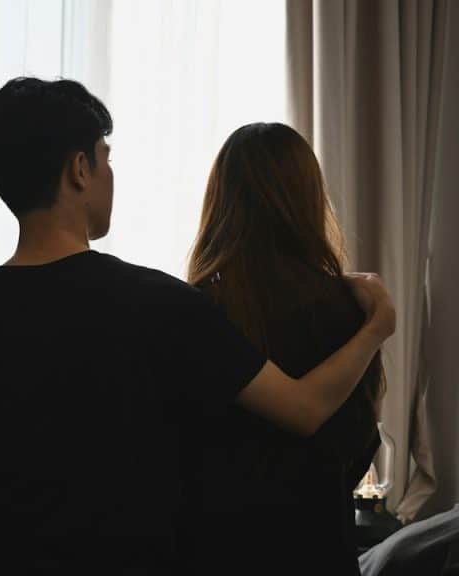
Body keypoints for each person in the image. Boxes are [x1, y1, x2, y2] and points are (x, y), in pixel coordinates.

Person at [0, 78, 394, 575]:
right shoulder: (161, 305)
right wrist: (376, 325)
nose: (110, 173)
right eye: (105, 158)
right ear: (79, 169)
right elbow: (303, 409)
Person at [183, 122, 385, 574]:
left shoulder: (197, 308)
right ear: (307, 199)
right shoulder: (351, 311)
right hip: (317, 544)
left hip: (217, 547)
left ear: (221, 201)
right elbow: (360, 435)